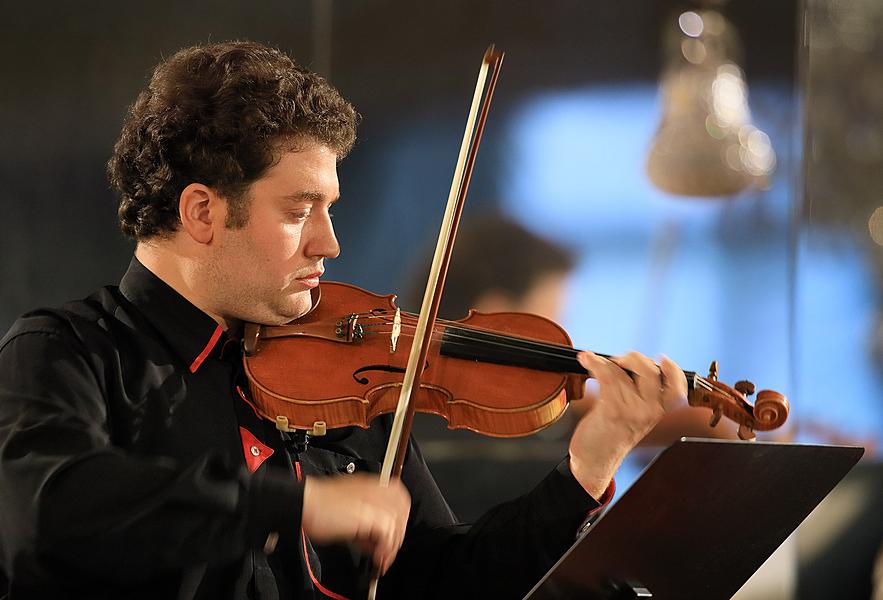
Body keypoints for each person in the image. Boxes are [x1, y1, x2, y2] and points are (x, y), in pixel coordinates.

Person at [0, 41, 686, 599]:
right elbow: (45, 511)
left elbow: (446, 580)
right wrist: (289, 506)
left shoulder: (347, 373)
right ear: (202, 212)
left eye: (329, 208)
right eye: (299, 212)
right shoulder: (69, 352)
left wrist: (586, 468)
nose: (329, 243)